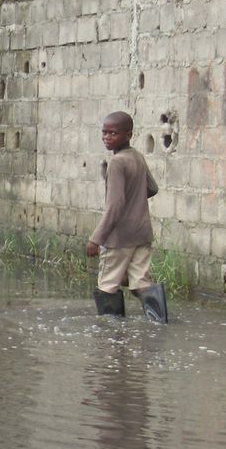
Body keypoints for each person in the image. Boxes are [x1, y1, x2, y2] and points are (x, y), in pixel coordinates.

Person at [85, 111, 167, 322]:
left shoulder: (117, 163)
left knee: (107, 285)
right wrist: (135, 198)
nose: (107, 137)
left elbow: (115, 206)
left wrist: (96, 239)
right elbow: (152, 188)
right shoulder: (136, 156)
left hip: (119, 238)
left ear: (128, 134)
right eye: (104, 133)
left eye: (113, 133)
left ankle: (111, 334)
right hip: (141, 233)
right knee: (141, 283)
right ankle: (159, 323)